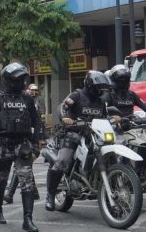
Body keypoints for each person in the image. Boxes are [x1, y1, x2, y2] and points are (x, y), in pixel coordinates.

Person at [0, 62, 41, 232]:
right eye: (18, 80)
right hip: (3, 144)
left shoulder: (28, 99)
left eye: (23, 79)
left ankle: (28, 220)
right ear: (8, 81)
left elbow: (37, 122)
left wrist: (36, 144)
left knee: (27, 182)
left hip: (23, 144)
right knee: (1, 179)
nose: (22, 83)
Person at [45, 71, 110, 212]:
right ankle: (50, 194)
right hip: (74, 134)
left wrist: (115, 119)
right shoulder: (77, 95)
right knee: (61, 162)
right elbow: (63, 106)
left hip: (93, 135)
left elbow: (105, 117)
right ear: (90, 85)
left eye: (102, 88)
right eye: (98, 87)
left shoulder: (100, 101)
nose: (100, 90)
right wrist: (65, 117)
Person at [4, 84, 43, 204]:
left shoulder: (36, 103)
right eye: (31, 90)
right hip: (22, 135)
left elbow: (38, 122)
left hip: (31, 136)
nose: (33, 92)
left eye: (36, 91)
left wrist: (39, 139)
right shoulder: (22, 100)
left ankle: (10, 193)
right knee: (24, 164)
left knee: (23, 165)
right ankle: (33, 191)